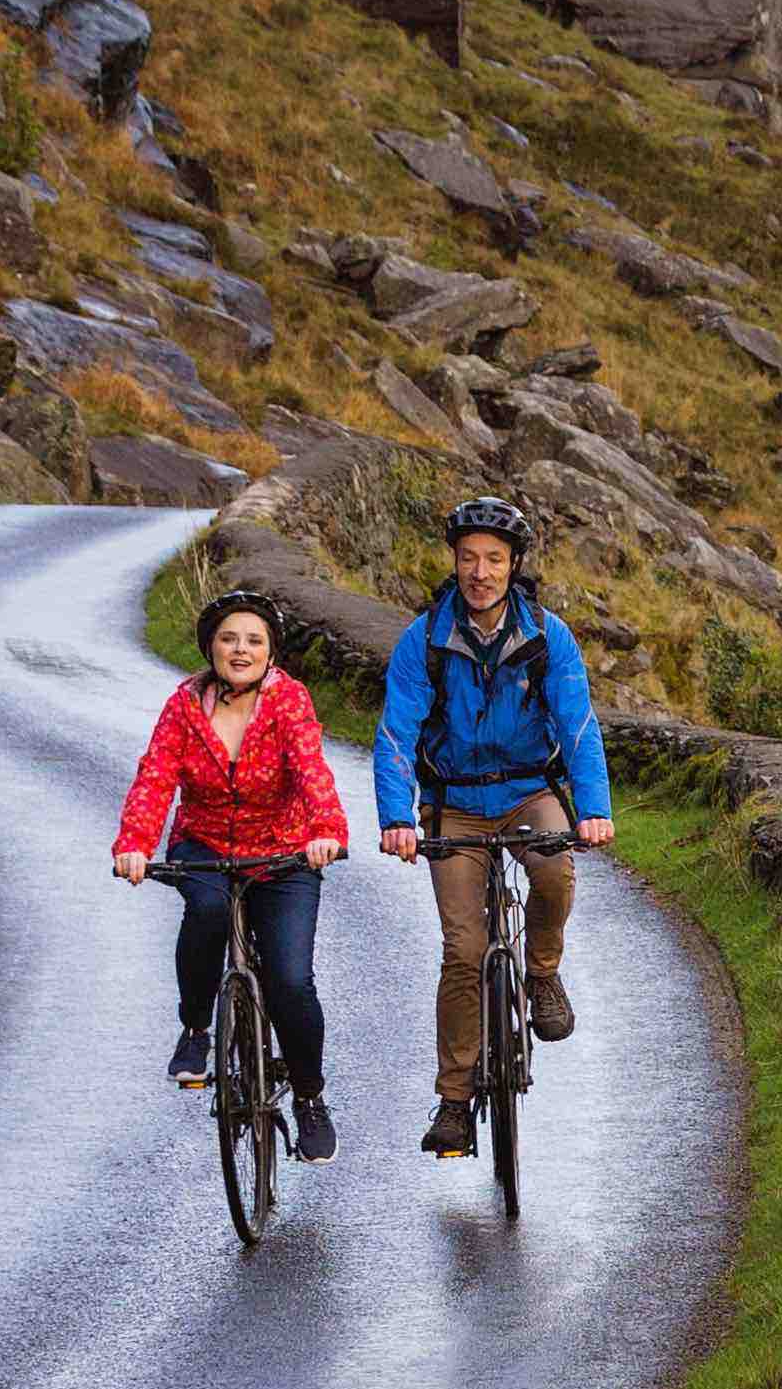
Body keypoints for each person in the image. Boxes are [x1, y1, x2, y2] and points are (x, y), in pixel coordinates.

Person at [372, 497, 615, 1158]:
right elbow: (396, 734)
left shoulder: (547, 635)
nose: (480, 571)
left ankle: (541, 972)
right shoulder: (424, 637)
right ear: (454, 562)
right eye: (469, 558)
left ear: (513, 566)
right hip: (453, 801)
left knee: (553, 870)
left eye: (494, 559)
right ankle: (453, 1100)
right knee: (461, 950)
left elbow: (579, 726)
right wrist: (397, 818)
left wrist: (592, 809)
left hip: (529, 789)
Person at [108, 585, 353, 1159]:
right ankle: (196, 1030)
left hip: (283, 851)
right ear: (210, 647)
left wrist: (326, 833)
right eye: (228, 639)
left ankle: (310, 1098)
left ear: (271, 652)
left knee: (291, 980)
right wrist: (135, 845)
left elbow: (311, 767)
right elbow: (154, 777)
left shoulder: (289, 701)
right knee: (209, 908)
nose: (240, 650)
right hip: (206, 844)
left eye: (253, 641)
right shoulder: (183, 706)